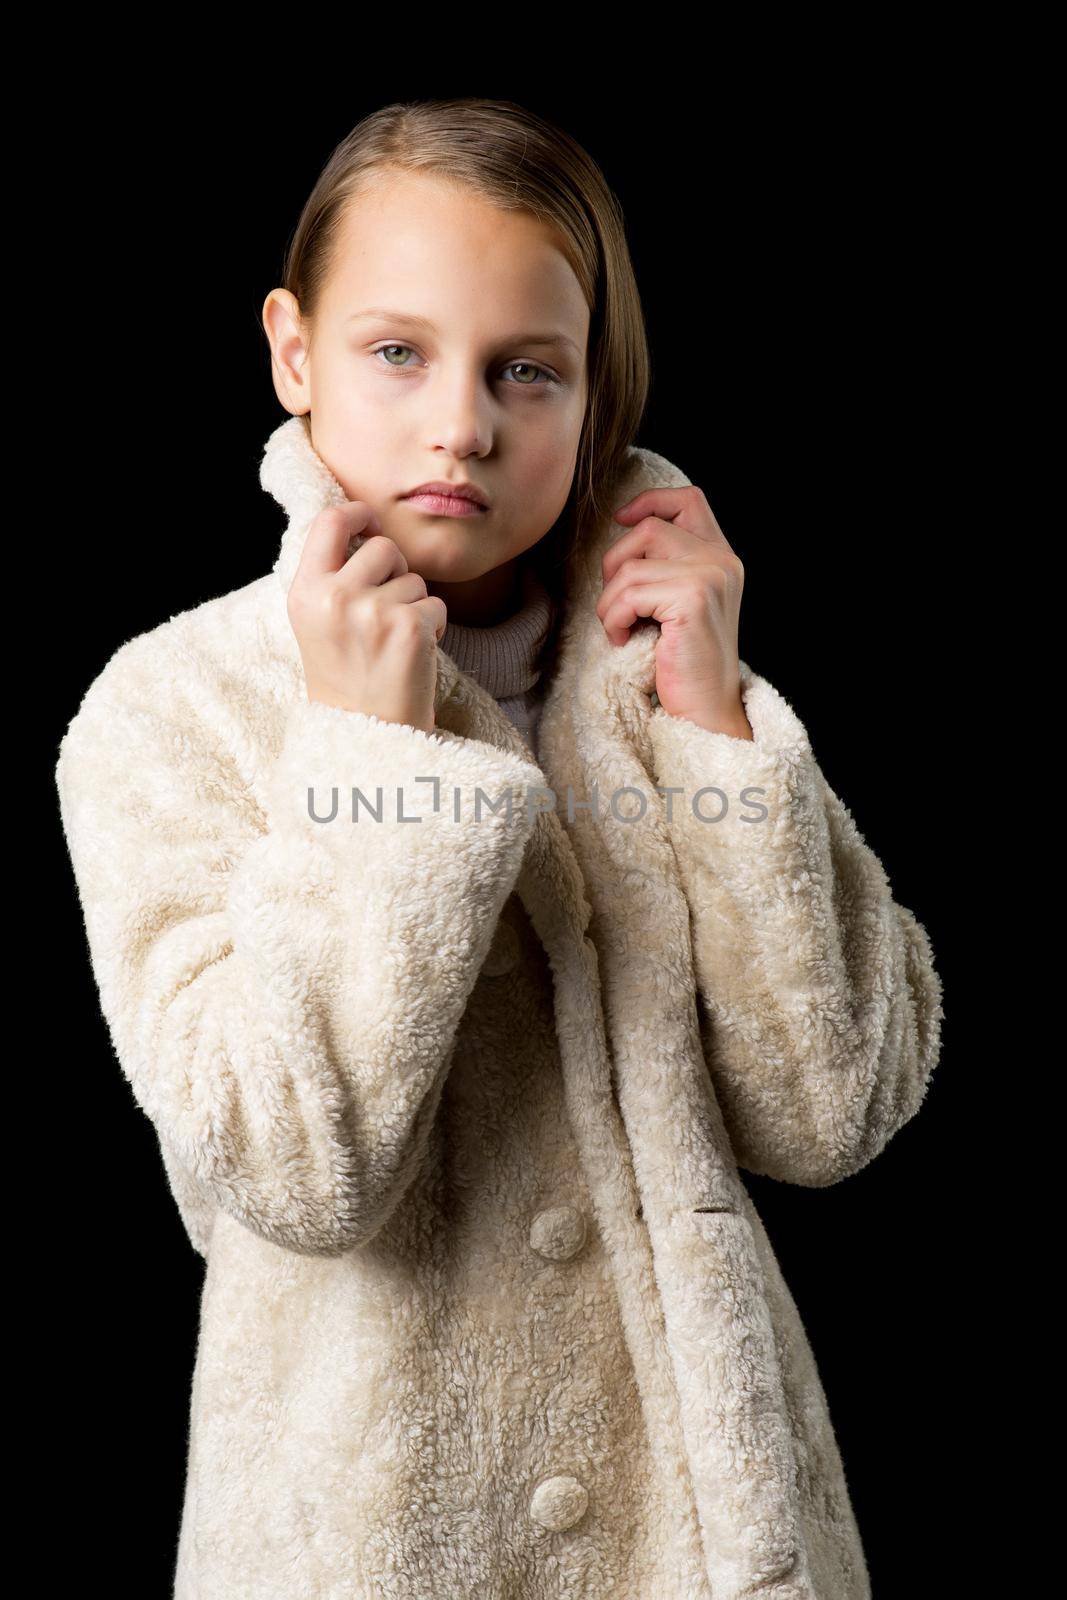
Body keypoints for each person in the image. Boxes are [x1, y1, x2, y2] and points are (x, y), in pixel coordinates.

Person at [55, 98, 944, 1600]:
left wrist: (718, 721)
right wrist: (371, 757)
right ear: (294, 352)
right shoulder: (175, 709)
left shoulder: (666, 676)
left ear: (595, 398)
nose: (460, 423)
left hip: (710, 1542)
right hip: (371, 1543)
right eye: (396, 351)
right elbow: (291, 1172)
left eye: (525, 372)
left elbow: (834, 1108)